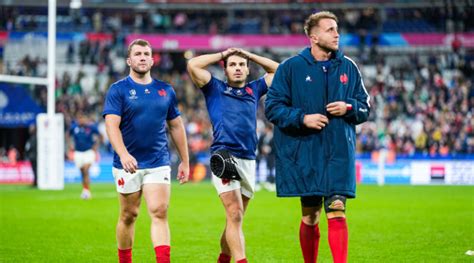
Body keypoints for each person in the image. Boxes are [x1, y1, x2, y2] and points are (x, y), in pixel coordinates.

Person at [265, 11, 370, 263]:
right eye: (330, 29)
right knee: (310, 217)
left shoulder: (348, 66)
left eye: (337, 29)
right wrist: (303, 118)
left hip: (338, 154)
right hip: (306, 153)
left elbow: (365, 107)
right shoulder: (290, 68)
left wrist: (349, 107)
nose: (337, 34)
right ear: (313, 36)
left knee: (337, 211)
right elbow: (273, 107)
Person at [187, 48, 278, 263]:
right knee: (235, 213)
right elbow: (193, 65)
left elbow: (279, 70)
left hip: (248, 158)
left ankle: (223, 259)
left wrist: (251, 56)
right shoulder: (215, 88)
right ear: (225, 70)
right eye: (233, 65)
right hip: (224, 154)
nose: (237, 68)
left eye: (241, 65)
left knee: (235, 219)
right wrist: (223, 54)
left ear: (247, 70)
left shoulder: (254, 90)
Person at [102, 39, 189, 263]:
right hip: (127, 163)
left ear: (152, 60)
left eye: (146, 53)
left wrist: (185, 161)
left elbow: (176, 126)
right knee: (129, 215)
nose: (142, 57)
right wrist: (123, 154)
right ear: (129, 60)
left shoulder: (165, 90)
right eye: (138, 53)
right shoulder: (118, 90)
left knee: (159, 211)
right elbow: (111, 125)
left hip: (158, 160)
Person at [66, 112, 102, 199]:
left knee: (86, 169)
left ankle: (86, 191)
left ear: (86, 119)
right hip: (78, 152)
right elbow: (67, 135)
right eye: (79, 118)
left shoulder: (91, 128)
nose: (81, 120)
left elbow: (100, 136)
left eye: (83, 118)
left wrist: (96, 146)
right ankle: (85, 189)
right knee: (82, 172)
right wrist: (70, 144)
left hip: (89, 152)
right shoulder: (74, 128)